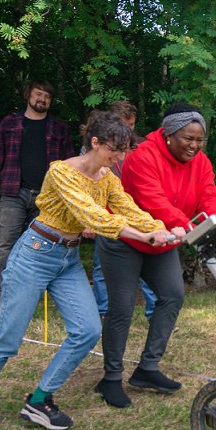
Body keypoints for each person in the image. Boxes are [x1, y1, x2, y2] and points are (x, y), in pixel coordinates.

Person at [0, 112, 178, 430]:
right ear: (95, 142)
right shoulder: (62, 171)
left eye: (124, 150)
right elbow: (92, 215)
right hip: (34, 253)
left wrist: (159, 228)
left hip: (68, 259)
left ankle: (40, 400)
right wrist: (141, 236)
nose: (119, 157)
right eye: (114, 149)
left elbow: (128, 208)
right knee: (8, 339)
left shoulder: (107, 178)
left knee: (87, 331)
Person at [94, 103, 216, 408]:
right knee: (122, 308)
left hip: (163, 242)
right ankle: (110, 378)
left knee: (172, 295)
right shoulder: (143, 157)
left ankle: (147, 369)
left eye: (199, 139)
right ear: (168, 134)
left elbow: (209, 194)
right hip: (125, 240)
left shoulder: (200, 162)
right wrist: (190, 227)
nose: (194, 145)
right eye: (187, 138)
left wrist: (212, 225)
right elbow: (155, 202)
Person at [0, 80, 76, 314]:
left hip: (48, 197)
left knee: (43, 245)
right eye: (38, 94)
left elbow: (71, 164)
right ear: (28, 96)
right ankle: (3, 293)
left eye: (47, 96)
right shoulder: (10, 123)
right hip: (14, 192)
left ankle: (33, 291)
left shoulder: (58, 129)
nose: (42, 99)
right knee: (6, 243)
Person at [87, 101, 158, 320]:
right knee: (101, 267)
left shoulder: (144, 146)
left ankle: (155, 311)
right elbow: (87, 185)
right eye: (124, 125)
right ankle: (103, 311)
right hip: (105, 213)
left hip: (137, 209)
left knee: (146, 259)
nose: (129, 131)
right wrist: (89, 220)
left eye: (132, 125)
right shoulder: (94, 150)